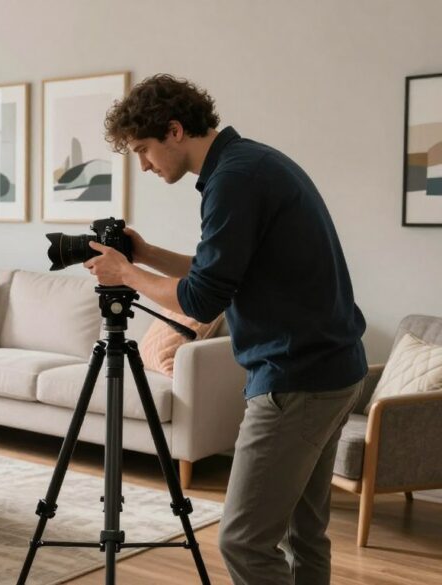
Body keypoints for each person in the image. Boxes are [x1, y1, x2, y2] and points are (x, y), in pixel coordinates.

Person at [84, 74, 367, 585]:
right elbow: (219, 270)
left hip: (295, 375)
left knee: (241, 540)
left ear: (174, 130)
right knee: (304, 534)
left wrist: (126, 274)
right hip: (335, 368)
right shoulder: (252, 163)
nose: (144, 166)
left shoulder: (233, 180)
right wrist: (144, 254)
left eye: (144, 150)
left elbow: (201, 296)